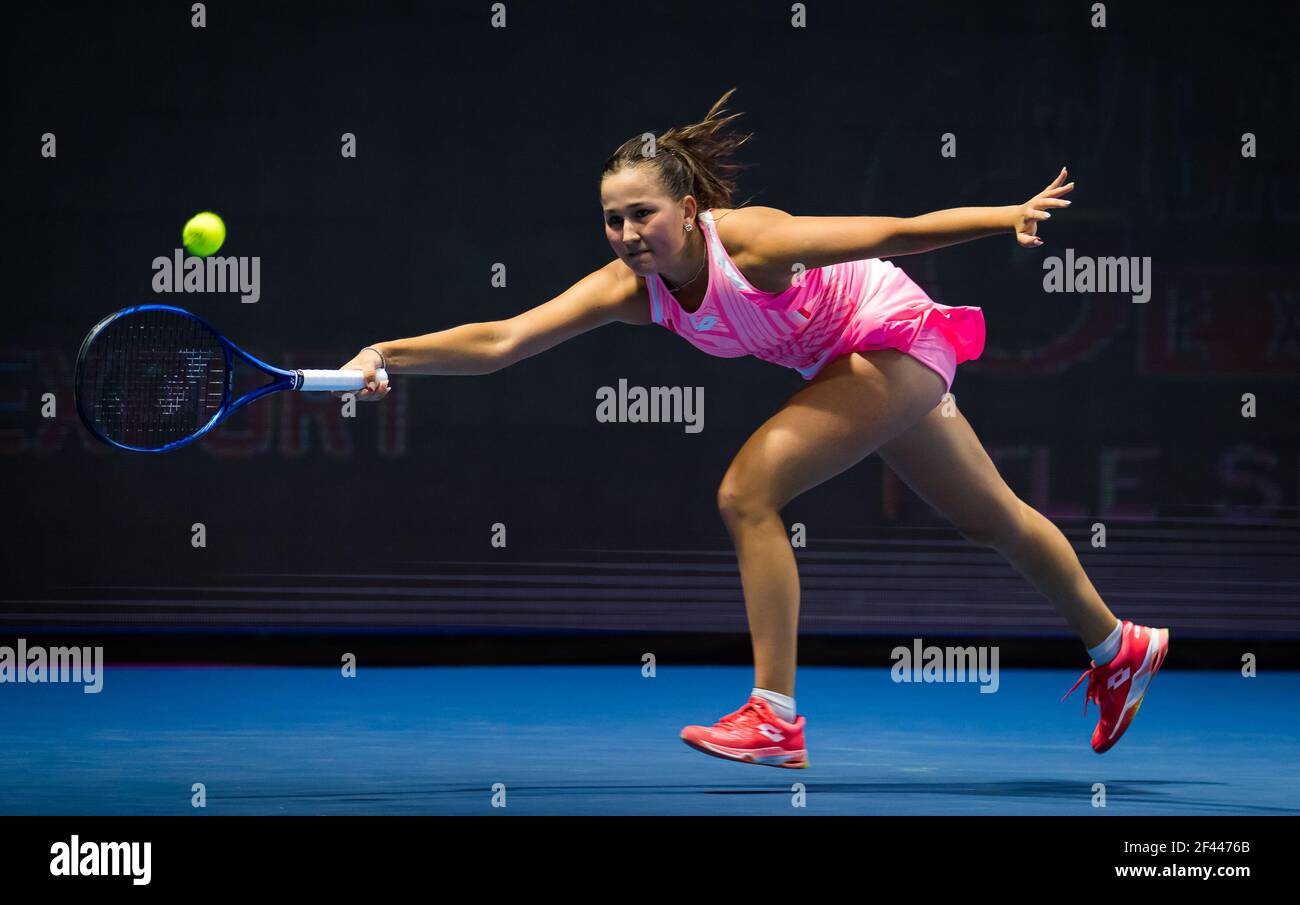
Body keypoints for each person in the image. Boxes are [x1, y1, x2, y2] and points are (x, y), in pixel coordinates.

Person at [338, 89, 1169, 768]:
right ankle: (1116, 644)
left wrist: (1002, 216)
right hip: (855, 363)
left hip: (895, 336)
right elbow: (502, 340)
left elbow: (888, 232)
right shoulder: (633, 286)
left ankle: (775, 715)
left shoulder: (755, 243)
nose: (628, 235)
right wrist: (386, 353)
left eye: (643, 215)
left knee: (747, 491)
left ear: (691, 209)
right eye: (612, 219)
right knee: (990, 517)